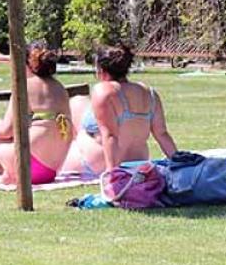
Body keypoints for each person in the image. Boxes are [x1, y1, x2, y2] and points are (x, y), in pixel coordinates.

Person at [0, 43, 73, 185]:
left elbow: (6, 130)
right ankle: (3, 177)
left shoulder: (25, 86)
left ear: (24, 64)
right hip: (49, 172)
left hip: (27, 165)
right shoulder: (60, 88)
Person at [61, 44, 178, 179]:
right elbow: (162, 134)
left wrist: (112, 174)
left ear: (101, 70)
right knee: (78, 102)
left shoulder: (104, 91)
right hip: (138, 162)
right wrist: (177, 161)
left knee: (73, 111)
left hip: (98, 163)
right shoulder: (149, 93)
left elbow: (110, 136)